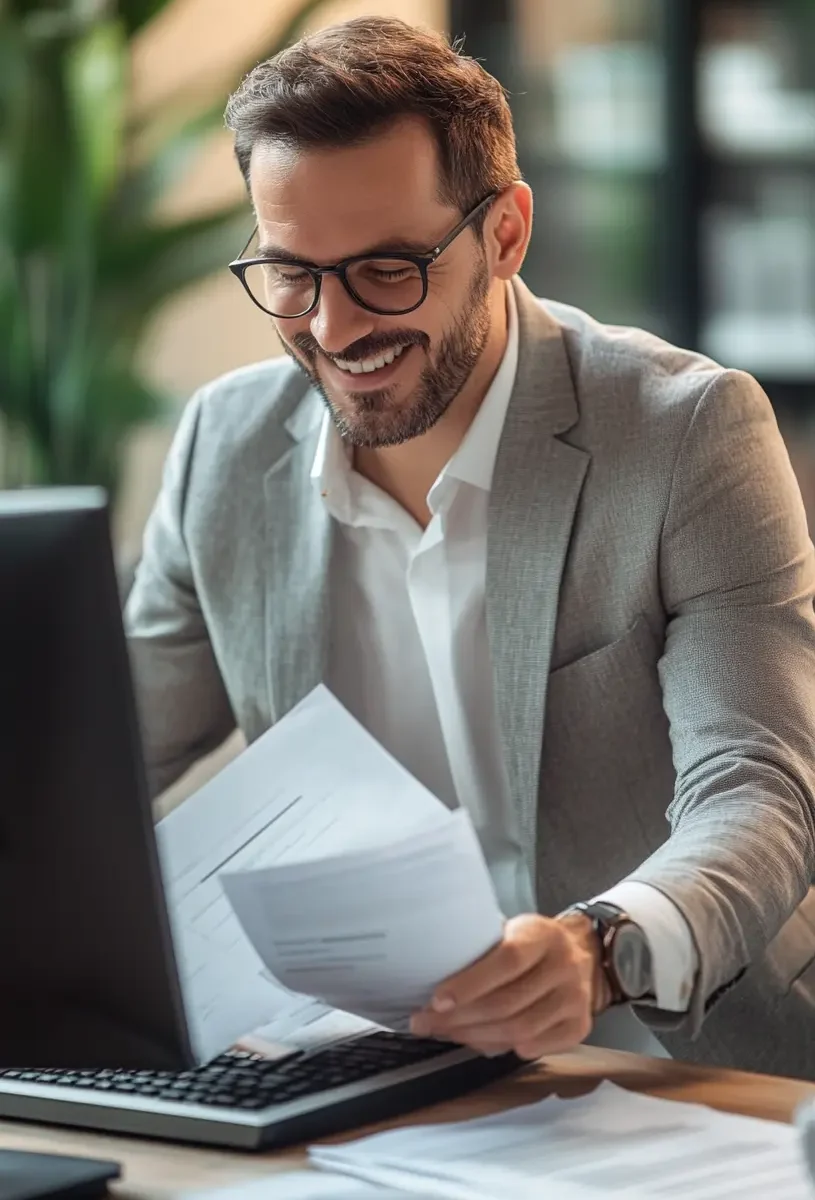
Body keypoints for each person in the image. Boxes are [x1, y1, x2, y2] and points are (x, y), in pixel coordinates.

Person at [126, 15, 815, 1078]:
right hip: (370, 1079)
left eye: (386, 270)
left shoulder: (684, 433)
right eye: (291, 276)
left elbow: (758, 787)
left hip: (679, 1069)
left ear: (503, 234)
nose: (333, 329)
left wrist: (600, 945)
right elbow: (102, 757)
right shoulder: (224, 448)